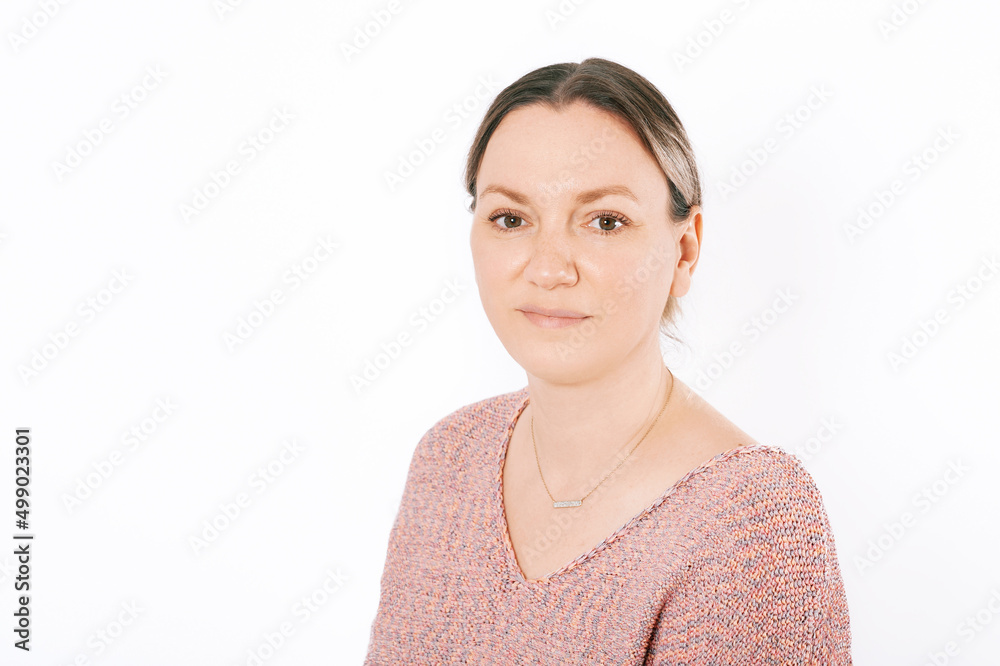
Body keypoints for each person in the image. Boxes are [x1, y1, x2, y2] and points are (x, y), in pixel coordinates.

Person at [364, 57, 852, 664]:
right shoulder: (449, 457)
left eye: (605, 221)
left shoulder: (753, 521)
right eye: (510, 218)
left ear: (684, 251)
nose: (547, 268)